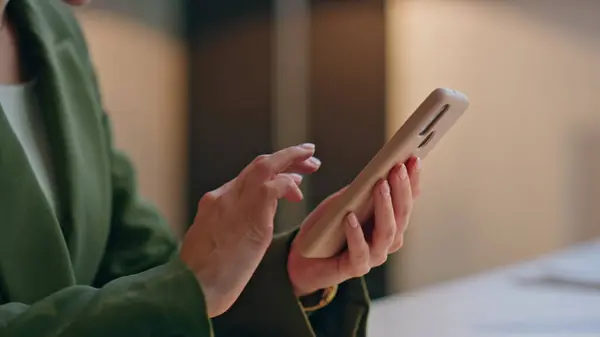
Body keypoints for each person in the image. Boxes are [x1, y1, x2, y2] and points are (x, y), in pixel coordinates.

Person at [0, 0, 422, 336]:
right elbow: (170, 293)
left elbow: (143, 272)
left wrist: (288, 272)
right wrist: (191, 290)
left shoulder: (52, 27)